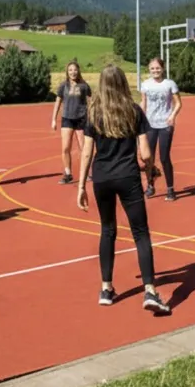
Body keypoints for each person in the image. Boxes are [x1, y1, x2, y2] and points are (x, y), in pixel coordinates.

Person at [77, 64, 170, 314]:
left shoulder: (94, 113)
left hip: (102, 178)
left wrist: (80, 186)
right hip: (128, 176)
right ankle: (150, 290)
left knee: (107, 230)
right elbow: (145, 152)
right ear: (122, 84)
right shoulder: (133, 111)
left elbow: (87, 152)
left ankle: (106, 288)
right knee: (140, 232)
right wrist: (150, 170)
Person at [140, 57, 181, 201]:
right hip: (150, 125)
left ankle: (170, 189)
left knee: (164, 157)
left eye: (157, 68)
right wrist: (140, 118)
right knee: (148, 158)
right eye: (152, 68)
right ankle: (150, 186)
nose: (155, 71)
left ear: (162, 69)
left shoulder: (169, 84)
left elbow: (178, 103)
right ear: (149, 70)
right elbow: (143, 103)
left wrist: (172, 116)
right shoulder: (145, 85)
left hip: (165, 124)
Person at [51, 60, 92, 184]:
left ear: (78, 71)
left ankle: (88, 173)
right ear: (67, 72)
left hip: (81, 119)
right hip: (67, 119)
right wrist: (53, 119)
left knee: (84, 148)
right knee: (65, 148)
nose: (73, 72)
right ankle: (68, 174)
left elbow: (90, 103)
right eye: (70, 70)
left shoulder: (84, 86)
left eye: (75, 70)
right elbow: (58, 102)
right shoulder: (63, 86)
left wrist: (91, 119)